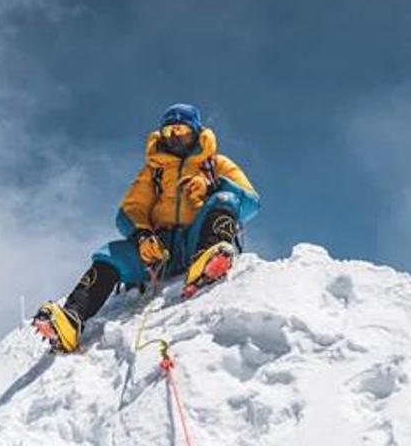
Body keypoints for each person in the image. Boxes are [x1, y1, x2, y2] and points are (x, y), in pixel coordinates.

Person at [33, 103, 260, 352]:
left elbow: (250, 201)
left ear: (196, 132)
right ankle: (71, 319)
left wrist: (213, 187)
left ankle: (209, 260)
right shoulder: (154, 172)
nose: (175, 137)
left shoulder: (216, 165)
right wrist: (142, 234)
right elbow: (130, 210)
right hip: (160, 252)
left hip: (199, 238)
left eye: (182, 131)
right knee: (110, 254)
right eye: (169, 131)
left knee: (224, 200)